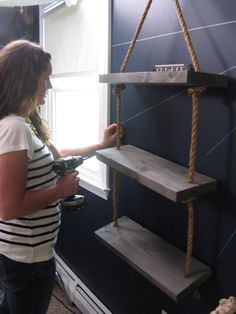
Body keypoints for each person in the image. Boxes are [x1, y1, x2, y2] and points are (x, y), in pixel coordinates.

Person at [0, 39, 119, 314]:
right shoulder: (13, 128)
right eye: (46, 78)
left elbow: (58, 154)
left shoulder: (26, 122)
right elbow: (8, 207)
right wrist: (60, 190)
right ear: (26, 80)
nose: (50, 86)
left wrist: (100, 145)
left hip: (34, 253)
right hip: (25, 259)